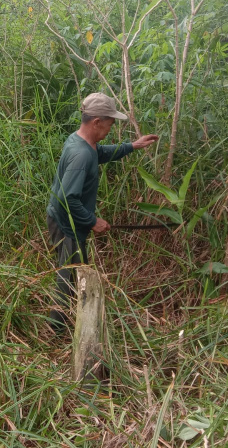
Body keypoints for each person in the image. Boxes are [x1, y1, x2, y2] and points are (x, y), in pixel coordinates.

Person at [46, 93, 158, 331]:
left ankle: (72, 322)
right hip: (67, 225)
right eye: (110, 124)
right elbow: (68, 198)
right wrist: (92, 221)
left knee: (77, 273)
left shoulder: (80, 142)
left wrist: (132, 146)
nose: (110, 129)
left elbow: (100, 153)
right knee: (70, 278)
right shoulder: (81, 155)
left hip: (64, 219)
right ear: (97, 122)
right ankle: (56, 331)